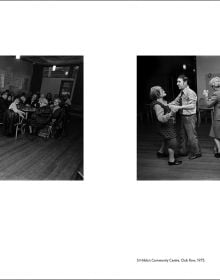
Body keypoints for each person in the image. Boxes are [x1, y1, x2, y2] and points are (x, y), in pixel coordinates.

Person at [170, 74, 201, 160]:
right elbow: (175, 101)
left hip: (190, 117)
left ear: (185, 82)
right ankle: (183, 151)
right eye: (177, 81)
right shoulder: (181, 92)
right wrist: (166, 105)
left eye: (179, 81)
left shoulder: (191, 92)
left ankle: (196, 152)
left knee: (191, 136)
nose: (177, 83)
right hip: (183, 116)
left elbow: (192, 105)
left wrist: (179, 107)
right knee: (182, 135)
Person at [150, 86, 182, 165]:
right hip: (165, 127)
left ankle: (160, 152)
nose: (164, 90)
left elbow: (171, 103)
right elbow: (160, 118)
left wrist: (180, 94)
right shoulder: (157, 105)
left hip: (168, 125)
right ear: (157, 94)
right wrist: (171, 113)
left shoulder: (163, 101)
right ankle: (171, 160)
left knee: (166, 139)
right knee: (172, 142)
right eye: (161, 90)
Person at [202, 77, 220, 157]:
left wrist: (205, 96)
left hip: (218, 117)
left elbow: (208, 105)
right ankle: (216, 149)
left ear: (213, 85)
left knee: (215, 134)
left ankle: (219, 151)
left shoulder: (216, 93)